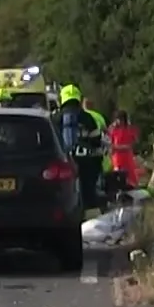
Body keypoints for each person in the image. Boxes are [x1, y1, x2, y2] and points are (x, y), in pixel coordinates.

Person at [52, 84, 106, 212]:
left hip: (65, 163)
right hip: (88, 163)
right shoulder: (88, 118)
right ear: (78, 99)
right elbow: (97, 141)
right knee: (89, 193)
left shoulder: (55, 118)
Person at [107, 111, 141, 188]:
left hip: (127, 155)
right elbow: (109, 142)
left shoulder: (130, 129)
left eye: (121, 119)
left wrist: (127, 146)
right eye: (118, 119)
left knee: (130, 172)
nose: (119, 121)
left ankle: (133, 186)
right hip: (117, 156)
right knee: (118, 172)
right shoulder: (112, 129)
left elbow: (135, 141)